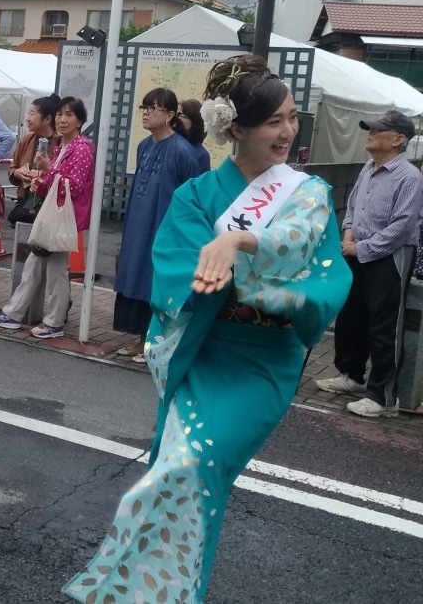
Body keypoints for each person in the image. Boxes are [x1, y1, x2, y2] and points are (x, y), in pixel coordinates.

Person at [63, 55, 351, 604]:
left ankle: (156, 591)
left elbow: (321, 268)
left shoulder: (308, 194)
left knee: (197, 464)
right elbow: (178, 271)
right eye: (274, 122)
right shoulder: (196, 196)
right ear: (235, 128)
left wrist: (241, 248)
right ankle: (143, 590)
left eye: (293, 118)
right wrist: (253, 275)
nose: (288, 131)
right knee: (174, 472)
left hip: (263, 359)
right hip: (205, 351)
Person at [315, 110, 423, 418]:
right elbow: (352, 205)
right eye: (371, 129)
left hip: (389, 257)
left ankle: (384, 396)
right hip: (357, 251)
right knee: (352, 316)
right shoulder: (367, 167)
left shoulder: (409, 177)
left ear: (398, 139)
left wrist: (358, 247)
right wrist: (349, 235)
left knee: (385, 325)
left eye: (377, 130)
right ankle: (352, 375)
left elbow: (401, 227)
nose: (370, 133)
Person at [0, 97, 95, 337]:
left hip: (64, 217)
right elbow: (57, 180)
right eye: (60, 115)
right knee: (37, 264)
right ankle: (15, 313)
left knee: (55, 270)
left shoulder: (82, 147)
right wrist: (41, 178)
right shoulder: (64, 145)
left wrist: (46, 174)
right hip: (54, 214)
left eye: (69, 115)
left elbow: (74, 186)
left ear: (80, 121)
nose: (62, 120)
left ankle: (52, 322)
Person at [113, 88, 208, 360]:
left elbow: (191, 197)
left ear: (169, 115)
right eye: (143, 107)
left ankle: (155, 343)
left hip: (163, 228)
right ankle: (141, 339)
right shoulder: (144, 145)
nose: (145, 113)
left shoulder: (182, 150)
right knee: (136, 277)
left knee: (155, 282)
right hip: (138, 225)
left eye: (151, 108)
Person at [178, 98, 212, 171]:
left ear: (195, 122)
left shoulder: (201, 155)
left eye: (182, 116)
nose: (177, 119)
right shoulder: (167, 143)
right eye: (176, 114)